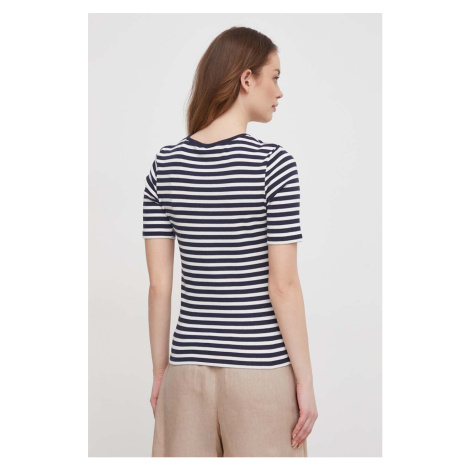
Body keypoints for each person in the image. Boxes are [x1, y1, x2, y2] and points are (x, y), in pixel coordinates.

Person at [142, 26, 318, 457]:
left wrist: (161, 373)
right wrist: (305, 381)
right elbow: (283, 286)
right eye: (275, 77)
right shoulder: (273, 165)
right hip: (260, 374)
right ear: (247, 79)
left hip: (185, 376)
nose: (280, 91)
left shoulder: (164, 166)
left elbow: (160, 286)